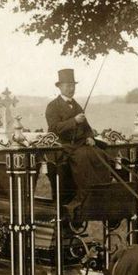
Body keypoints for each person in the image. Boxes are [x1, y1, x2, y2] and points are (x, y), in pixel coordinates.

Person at [45, 68, 110, 213]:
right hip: (64, 146)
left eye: (73, 85)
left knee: (100, 155)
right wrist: (74, 120)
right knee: (84, 158)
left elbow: (86, 126)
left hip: (81, 144)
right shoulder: (52, 106)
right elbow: (54, 129)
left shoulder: (77, 105)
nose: (71, 88)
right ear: (60, 87)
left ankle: (100, 194)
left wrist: (89, 137)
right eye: (68, 85)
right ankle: (83, 197)